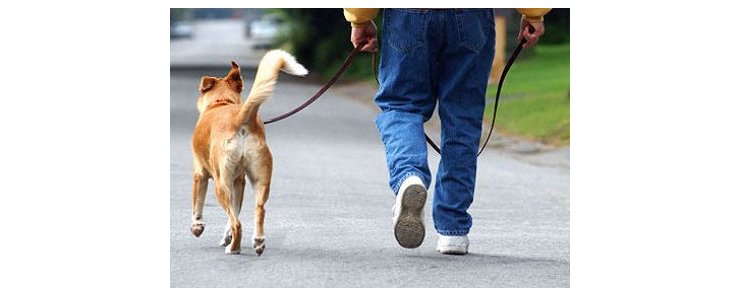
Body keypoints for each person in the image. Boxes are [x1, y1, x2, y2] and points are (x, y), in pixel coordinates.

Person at [343, 8, 551, 255]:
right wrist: (534, 12)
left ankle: (410, 176)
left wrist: (360, 18)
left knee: (401, 105)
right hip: (471, 16)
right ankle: (453, 230)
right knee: (463, 116)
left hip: (409, 15)